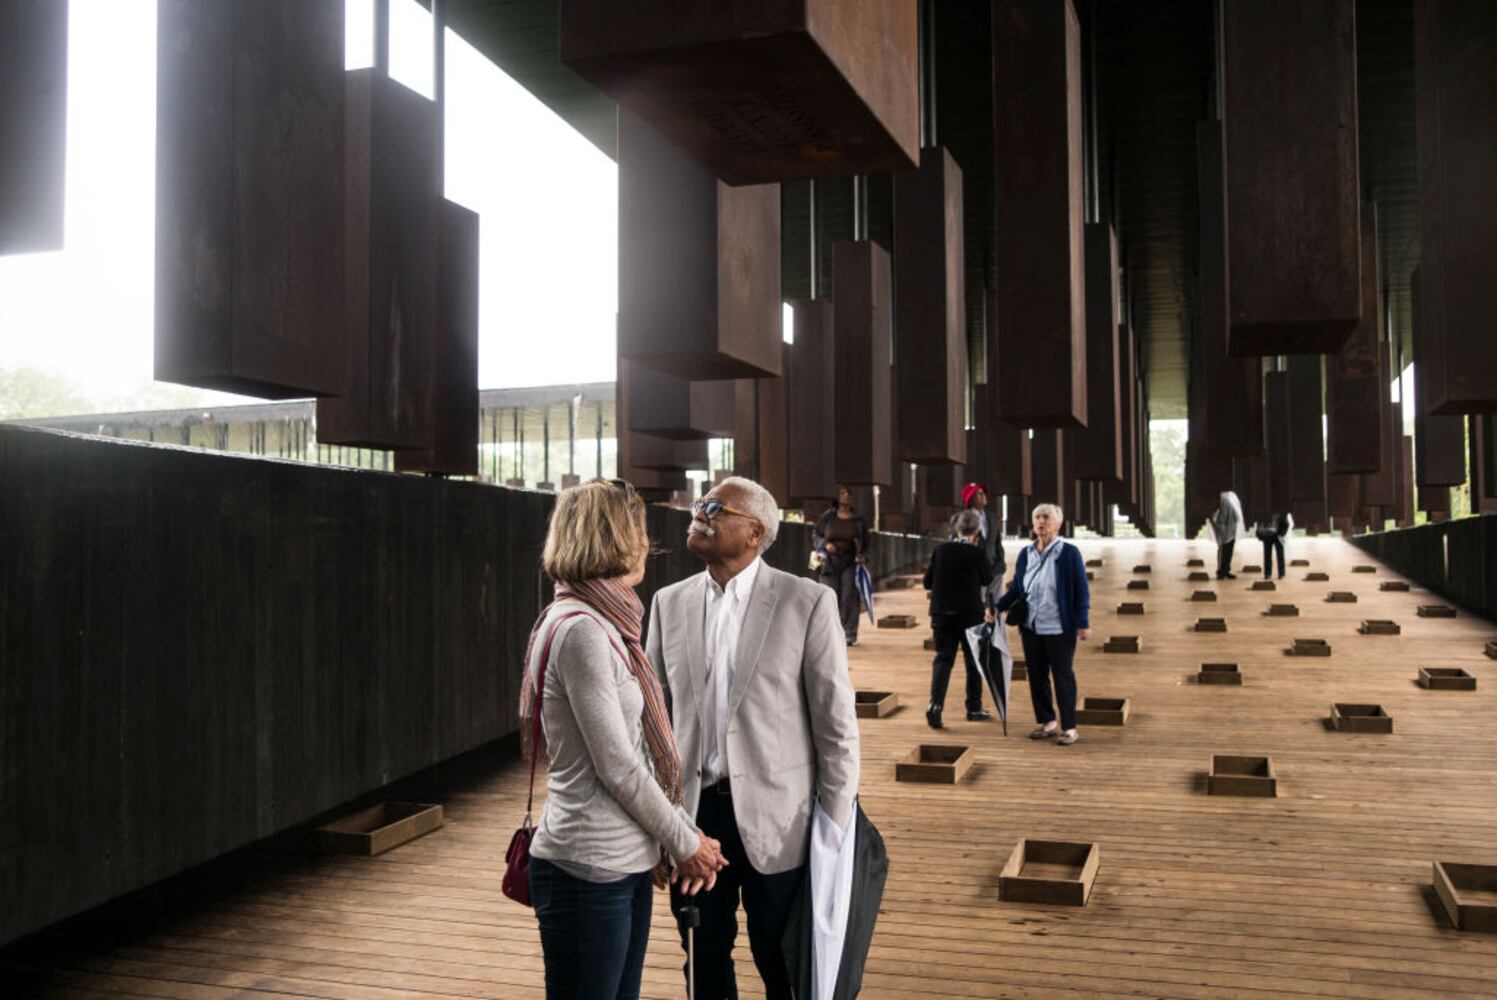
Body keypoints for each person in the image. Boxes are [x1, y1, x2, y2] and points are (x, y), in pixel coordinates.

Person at [647, 476, 861, 1000]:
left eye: (716, 507)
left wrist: (833, 831)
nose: (700, 511)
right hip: (694, 821)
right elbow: (649, 723)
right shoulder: (667, 603)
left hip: (783, 821)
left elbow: (836, 726)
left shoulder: (806, 602)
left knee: (782, 963)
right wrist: (659, 825)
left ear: (755, 531)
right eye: (700, 501)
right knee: (702, 959)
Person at [521, 480, 728, 1000]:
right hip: (588, 868)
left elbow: (637, 751)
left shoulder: (607, 624)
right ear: (612, 538)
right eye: (637, 530)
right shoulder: (583, 632)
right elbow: (618, 766)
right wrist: (687, 844)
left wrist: (685, 831)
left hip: (622, 862)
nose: (646, 543)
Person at [995, 503, 1091, 746]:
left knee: (1063, 676)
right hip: (1031, 626)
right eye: (1037, 517)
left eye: (1046, 517)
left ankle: (1069, 727)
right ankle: (1047, 722)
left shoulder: (1069, 553)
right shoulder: (1026, 554)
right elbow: (1017, 588)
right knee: (1036, 676)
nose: (1040, 522)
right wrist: (997, 607)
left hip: (1059, 627)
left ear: (1057, 524)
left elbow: (1081, 590)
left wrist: (1083, 622)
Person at [924, 509, 995, 729]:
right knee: (973, 662)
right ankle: (973, 708)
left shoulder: (940, 550)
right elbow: (988, 578)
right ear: (976, 531)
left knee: (943, 659)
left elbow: (927, 582)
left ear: (956, 529)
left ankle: (935, 705)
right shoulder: (977, 553)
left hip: (942, 614)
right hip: (970, 614)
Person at [813, 484, 871, 646]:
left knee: (849, 597)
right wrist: (825, 544)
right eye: (842, 493)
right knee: (828, 596)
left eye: (848, 493)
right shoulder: (828, 517)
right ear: (837, 497)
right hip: (829, 561)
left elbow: (867, 543)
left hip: (851, 561)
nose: (846, 496)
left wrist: (863, 556)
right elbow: (816, 534)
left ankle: (849, 634)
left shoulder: (859, 520)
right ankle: (828, 633)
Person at [948, 482, 1007, 610]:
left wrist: (1001, 563)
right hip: (973, 574)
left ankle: (996, 630)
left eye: (983, 492)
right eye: (979, 493)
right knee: (975, 607)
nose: (984, 495)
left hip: (994, 571)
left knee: (997, 607)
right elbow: (954, 547)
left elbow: (998, 543)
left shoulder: (992, 517)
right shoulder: (958, 518)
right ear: (970, 498)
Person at [1211, 491, 1245, 580]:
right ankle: (1221, 571)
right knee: (1225, 551)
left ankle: (1225, 571)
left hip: (1229, 529)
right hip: (1227, 529)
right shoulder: (1225, 499)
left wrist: (1217, 525)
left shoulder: (1226, 499)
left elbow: (1225, 515)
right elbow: (1223, 515)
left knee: (1227, 551)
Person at [1256, 510, 1294, 579]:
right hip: (1267, 535)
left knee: (1280, 555)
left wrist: (1281, 534)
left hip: (1278, 535)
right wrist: (1260, 535)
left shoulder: (1281, 512)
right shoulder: (1264, 511)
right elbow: (1259, 523)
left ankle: (1281, 574)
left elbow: (1286, 524)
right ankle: (1268, 574)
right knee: (1267, 555)